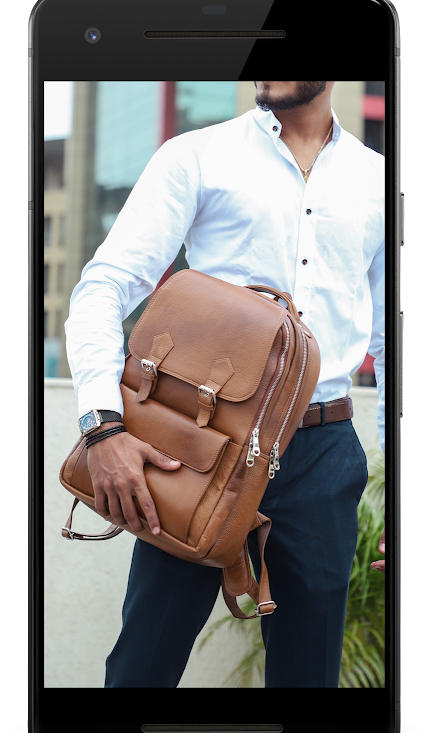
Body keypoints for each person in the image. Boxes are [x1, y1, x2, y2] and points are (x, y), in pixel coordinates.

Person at [65, 81, 385, 688]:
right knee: (143, 667)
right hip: (199, 444)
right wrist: (102, 426)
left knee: (310, 680)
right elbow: (103, 287)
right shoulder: (197, 155)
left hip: (323, 452)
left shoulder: (378, 180)